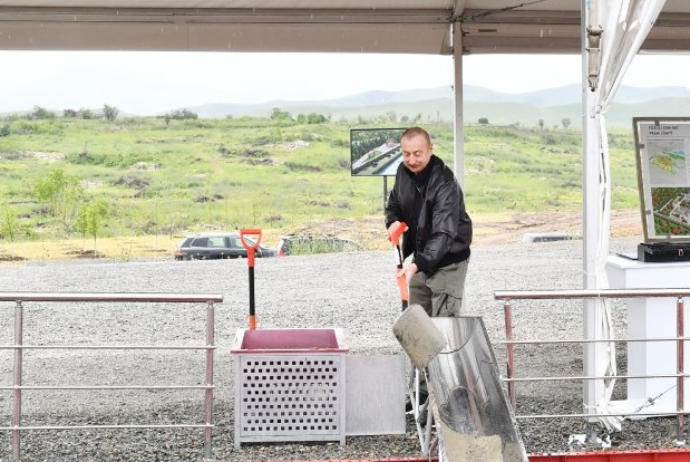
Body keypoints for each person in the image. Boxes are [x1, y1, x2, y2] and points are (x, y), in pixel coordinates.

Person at [385, 126, 472, 319]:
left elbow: (443, 234)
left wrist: (416, 264)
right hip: (423, 258)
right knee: (420, 321)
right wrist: (392, 221)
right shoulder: (403, 172)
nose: (411, 160)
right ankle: (424, 351)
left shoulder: (444, 183)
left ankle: (447, 350)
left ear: (430, 149)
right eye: (406, 154)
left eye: (417, 154)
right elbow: (394, 203)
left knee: (444, 326)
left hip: (449, 261)